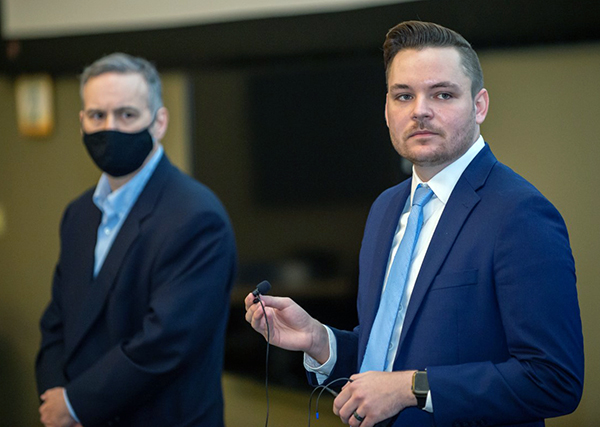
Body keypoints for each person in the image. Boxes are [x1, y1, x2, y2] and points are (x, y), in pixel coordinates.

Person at [245, 20, 584, 427]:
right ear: (387, 111)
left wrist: (412, 388)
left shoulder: (520, 215)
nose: (420, 110)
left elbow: (553, 379)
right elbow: (387, 359)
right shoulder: (386, 209)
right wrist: (321, 341)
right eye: (403, 95)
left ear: (479, 105)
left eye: (442, 94)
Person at [36, 53, 237, 427]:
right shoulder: (78, 214)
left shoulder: (197, 217)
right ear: (81, 123)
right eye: (97, 116)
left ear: (159, 122)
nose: (110, 128)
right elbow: (56, 324)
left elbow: (164, 343)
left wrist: (76, 404)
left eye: (127, 115)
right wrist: (56, 399)